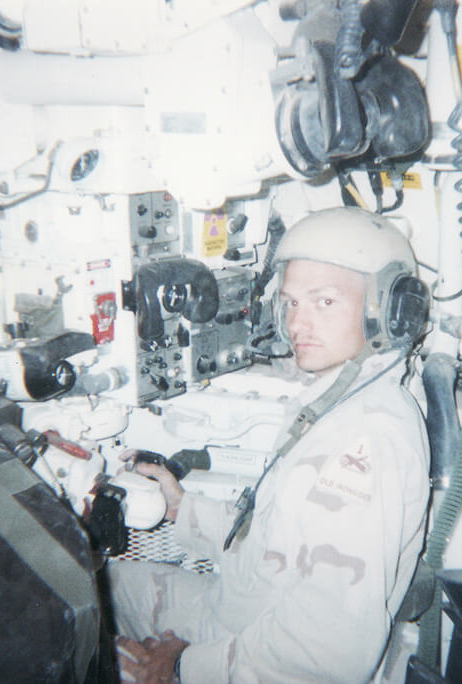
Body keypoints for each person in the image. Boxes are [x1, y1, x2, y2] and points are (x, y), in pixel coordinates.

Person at [109, 206, 430, 683]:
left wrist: (181, 666)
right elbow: (277, 545)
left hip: (257, 654)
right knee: (101, 583)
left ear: (389, 310)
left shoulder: (365, 440)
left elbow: (324, 652)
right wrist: (182, 509)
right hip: (242, 611)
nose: (298, 324)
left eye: (323, 302)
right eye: (292, 303)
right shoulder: (341, 398)